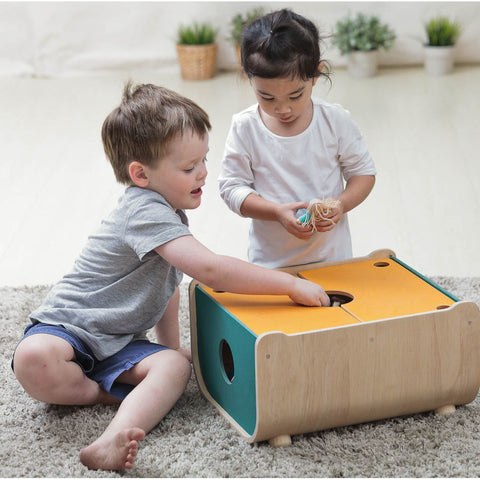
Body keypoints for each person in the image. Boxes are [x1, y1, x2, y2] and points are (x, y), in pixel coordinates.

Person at [11, 82, 330, 472]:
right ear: (140, 175)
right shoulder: (142, 211)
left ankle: (116, 434)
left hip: (120, 345)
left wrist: (171, 347)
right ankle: (100, 393)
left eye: (204, 160)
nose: (203, 173)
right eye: (188, 167)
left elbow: (166, 287)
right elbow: (211, 270)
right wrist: (290, 284)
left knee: (176, 368)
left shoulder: (169, 214)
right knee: (33, 357)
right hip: (69, 329)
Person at [219, 9, 377, 269]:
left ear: (316, 74)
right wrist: (275, 213)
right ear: (248, 76)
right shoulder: (245, 127)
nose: (283, 109)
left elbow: (363, 174)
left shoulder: (335, 121)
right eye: (267, 98)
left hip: (333, 260)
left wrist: (340, 205)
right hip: (271, 264)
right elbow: (231, 188)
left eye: (295, 96)